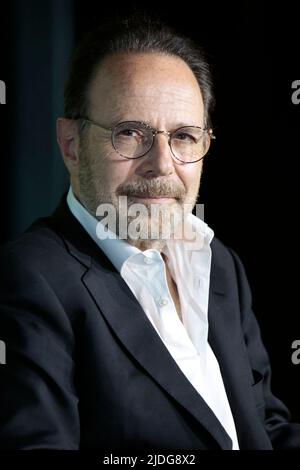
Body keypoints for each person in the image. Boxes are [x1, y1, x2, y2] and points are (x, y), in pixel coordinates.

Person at [0, 15, 299, 451]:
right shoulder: (25, 280)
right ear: (71, 144)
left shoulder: (218, 264)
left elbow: (263, 427)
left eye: (183, 137)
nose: (161, 163)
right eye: (129, 133)